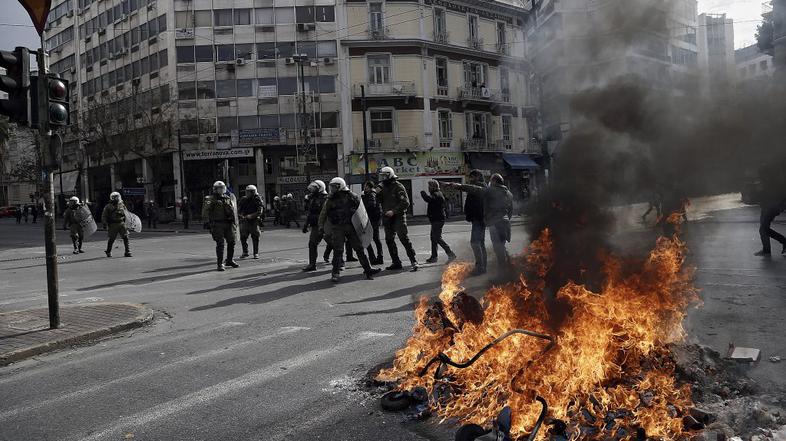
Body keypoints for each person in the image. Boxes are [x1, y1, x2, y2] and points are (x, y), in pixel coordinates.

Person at [318, 177, 381, 282]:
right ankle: (335, 273)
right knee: (338, 251)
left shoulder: (353, 196)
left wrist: (364, 226)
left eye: (334, 187)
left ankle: (368, 269)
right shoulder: (330, 199)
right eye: (331, 187)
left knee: (359, 249)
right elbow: (323, 214)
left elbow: (361, 211)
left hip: (351, 227)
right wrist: (321, 226)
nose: (332, 189)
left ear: (340, 186)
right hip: (337, 228)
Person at [446, 173, 513, 272]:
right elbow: (511, 210)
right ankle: (506, 269)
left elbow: (476, 189)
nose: (489, 182)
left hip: (496, 222)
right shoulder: (509, 193)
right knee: (501, 247)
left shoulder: (492, 190)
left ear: (494, 181)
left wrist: (459, 186)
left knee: (497, 248)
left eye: (491, 180)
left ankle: (503, 272)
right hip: (506, 223)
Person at [376, 166, 419, 272]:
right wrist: (376, 192)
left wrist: (393, 211)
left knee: (403, 238)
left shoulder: (398, 186)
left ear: (390, 175)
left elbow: (405, 203)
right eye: (381, 176)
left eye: (384, 176)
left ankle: (413, 260)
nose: (382, 178)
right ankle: (396, 262)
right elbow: (378, 201)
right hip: (387, 217)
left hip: (398, 216)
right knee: (389, 240)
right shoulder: (382, 187)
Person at [203, 181, 239, 271]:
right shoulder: (210, 199)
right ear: (215, 189)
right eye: (219, 188)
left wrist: (235, 220)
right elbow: (205, 211)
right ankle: (220, 264)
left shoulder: (227, 198)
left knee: (232, 242)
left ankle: (229, 260)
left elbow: (233, 210)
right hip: (217, 224)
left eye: (222, 188)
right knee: (220, 244)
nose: (221, 190)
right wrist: (207, 222)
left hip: (228, 223)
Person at [421, 180, 456, 264]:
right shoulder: (437, 193)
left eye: (429, 186)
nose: (428, 188)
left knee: (437, 238)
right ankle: (434, 256)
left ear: (433, 187)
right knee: (433, 238)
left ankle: (450, 253)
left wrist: (422, 193)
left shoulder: (436, 194)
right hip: (436, 219)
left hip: (438, 219)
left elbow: (428, 199)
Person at [754, 163, 786, 256]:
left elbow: (764, 195)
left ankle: (771, 248)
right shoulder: (774, 181)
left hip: (769, 208)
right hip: (770, 207)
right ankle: (767, 249)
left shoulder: (767, 182)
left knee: (763, 229)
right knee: (764, 228)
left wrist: (758, 192)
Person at [463, 170, 487, 275]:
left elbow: (477, 205)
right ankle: (483, 266)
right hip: (479, 219)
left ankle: (480, 268)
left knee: (475, 243)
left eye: (472, 177)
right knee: (480, 243)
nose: (470, 179)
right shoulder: (480, 186)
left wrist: (471, 215)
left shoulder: (479, 187)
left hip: (478, 219)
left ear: (477, 177)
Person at [302, 180, 330, 271]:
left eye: (314, 188)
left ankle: (340, 263)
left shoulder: (326, 198)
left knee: (334, 243)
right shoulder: (312, 198)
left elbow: (326, 213)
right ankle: (312, 264)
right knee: (312, 243)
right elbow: (309, 212)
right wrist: (306, 225)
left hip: (325, 225)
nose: (312, 189)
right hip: (315, 225)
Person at [101, 191, 132, 258]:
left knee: (126, 237)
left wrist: (128, 221)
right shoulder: (108, 206)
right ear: (112, 198)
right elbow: (104, 215)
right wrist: (104, 223)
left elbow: (126, 213)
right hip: (113, 224)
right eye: (114, 197)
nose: (116, 198)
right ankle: (108, 251)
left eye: (117, 197)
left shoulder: (122, 205)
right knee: (111, 239)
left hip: (121, 223)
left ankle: (127, 251)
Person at [239, 185, 264, 259]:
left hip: (254, 220)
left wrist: (251, 216)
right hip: (245, 220)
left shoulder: (258, 199)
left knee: (255, 237)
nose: (247, 193)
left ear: (253, 192)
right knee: (243, 237)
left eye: (248, 192)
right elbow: (239, 209)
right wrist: (241, 215)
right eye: (246, 192)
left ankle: (256, 253)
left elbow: (260, 211)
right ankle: (245, 252)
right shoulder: (243, 199)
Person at [362, 181, 384, 265]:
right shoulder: (369, 194)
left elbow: (371, 205)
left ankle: (377, 257)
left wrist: (363, 205)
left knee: (373, 238)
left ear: (369, 187)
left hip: (373, 220)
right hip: (372, 219)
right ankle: (376, 257)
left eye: (366, 186)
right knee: (374, 239)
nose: (364, 187)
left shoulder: (371, 194)